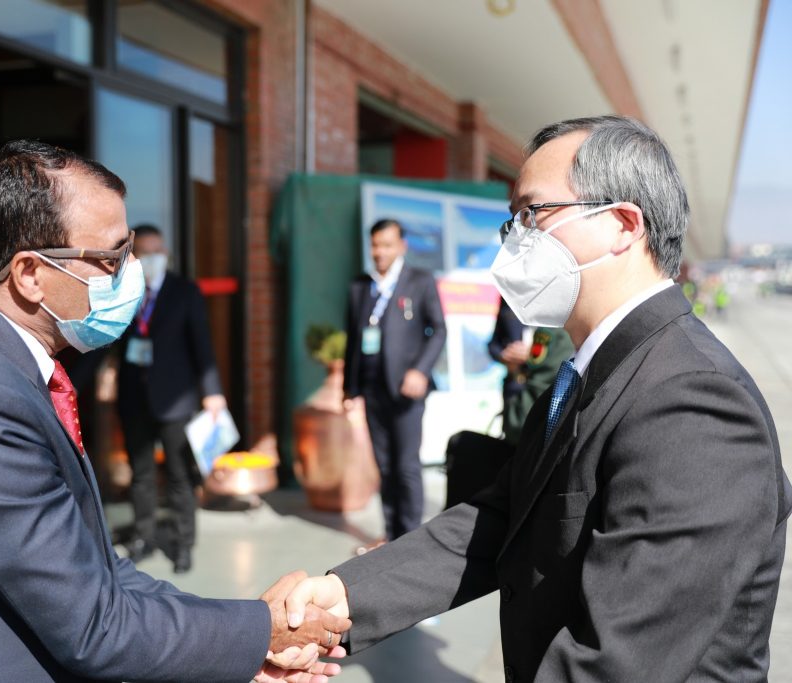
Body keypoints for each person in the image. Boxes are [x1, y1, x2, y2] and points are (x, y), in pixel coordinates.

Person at [285, 116, 791, 682]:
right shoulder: (591, 369)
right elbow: (499, 519)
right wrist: (342, 597)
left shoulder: (694, 403)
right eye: (513, 220)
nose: (515, 238)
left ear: (622, 224)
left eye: (533, 214)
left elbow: (615, 664)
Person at [0, 140, 350, 683]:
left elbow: (97, 569)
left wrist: (245, 645)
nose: (129, 271)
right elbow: (96, 627)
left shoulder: (3, 366)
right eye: (111, 258)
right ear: (30, 274)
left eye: (129, 249)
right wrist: (261, 632)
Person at [117, 223, 225, 573]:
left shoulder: (185, 292)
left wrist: (212, 393)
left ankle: (183, 543)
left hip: (175, 400)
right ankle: (144, 537)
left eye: (158, 252)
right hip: (135, 396)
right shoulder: (123, 291)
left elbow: (202, 348)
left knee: (180, 476)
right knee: (141, 474)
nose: (153, 259)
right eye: (145, 253)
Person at [343, 219, 447, 544]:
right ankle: (391, 534)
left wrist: (420, 370)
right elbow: (352, 342)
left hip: (406, 391)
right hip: (373, 390)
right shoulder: (361, 287)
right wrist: (350, 389)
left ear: (401, 246)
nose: (379, 252)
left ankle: (411, 541)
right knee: (384, 467)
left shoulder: (420, 281)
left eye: (386, 245)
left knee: (406, 466)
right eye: (375, 245)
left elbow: (438, 330)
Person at [444, 326, 573, 509]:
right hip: (545, 460)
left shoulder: (552, 332)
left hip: (537, 464)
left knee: (464, 447)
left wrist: (516, 373)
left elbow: (519, 424)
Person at [487, 296, 528, 405]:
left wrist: (530, 354)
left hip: (538, 385)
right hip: (512, 384)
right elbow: (493, 345)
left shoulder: (545, 296)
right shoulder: (508, 297)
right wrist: (504, 356)